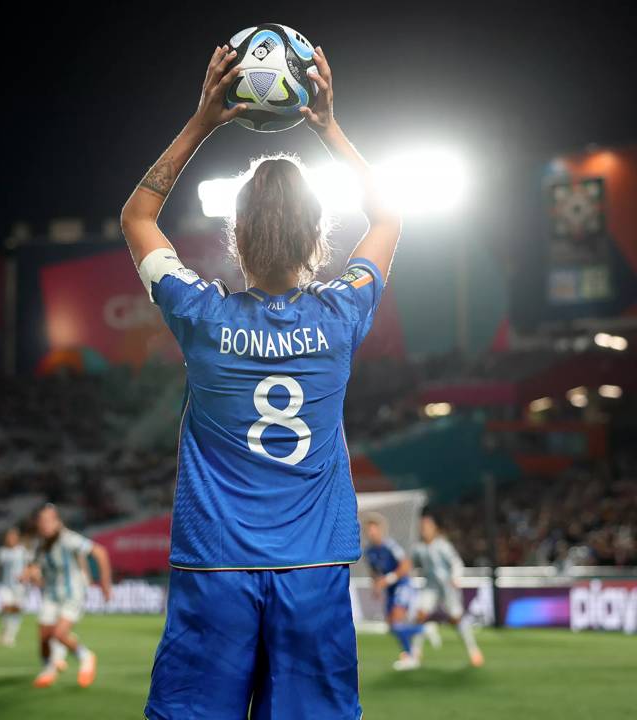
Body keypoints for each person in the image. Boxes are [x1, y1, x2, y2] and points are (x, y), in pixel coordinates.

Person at [122, 44, 401, 719]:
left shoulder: (200, 314)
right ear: (317, 236)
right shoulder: (342, 313)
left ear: (236, 236)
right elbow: (389, 217)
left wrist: (203, 121)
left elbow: (138, 217)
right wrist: (327, 124)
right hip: (314, 571)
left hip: (214, 568)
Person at [27, 504, 112, 688]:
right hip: (50, 594)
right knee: (43, 636)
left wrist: (105, 583)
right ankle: (48, 669)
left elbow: (100, 552)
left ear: (57, 522)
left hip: (72, 594)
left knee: (58, 634)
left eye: (50, 520)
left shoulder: (68, 539)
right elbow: (33, 567)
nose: (46, 524)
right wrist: (29, 574)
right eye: (42, 521)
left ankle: (86, 657)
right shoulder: (39, 545)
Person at [412, 513, 484, 667]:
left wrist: (455, 577)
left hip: (447, 587)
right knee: (420, 615)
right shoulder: (419, 548)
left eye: (427, 526)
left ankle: (473, 650)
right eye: (422, 527)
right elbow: (413, 565)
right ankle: (414, 653)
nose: (424, 530)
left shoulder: (442, 546)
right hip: (430, 587)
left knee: (456, 619)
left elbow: (456, 562)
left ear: (434, 528)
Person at [363, 513, 428, 671]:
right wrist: (376, 586)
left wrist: (389, 579)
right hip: (390, 590)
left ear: (381, 530)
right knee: (392, 627)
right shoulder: (369, 551)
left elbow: (406, 565)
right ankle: (418, 638)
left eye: (374, 530)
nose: (372, 533)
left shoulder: (390, 545)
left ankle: (410, 654)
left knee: (397, 622)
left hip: (403, 585)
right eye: (369, 530)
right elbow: (374, 572)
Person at [0, 527, 29, 647]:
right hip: (6, 585)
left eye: (13, 536)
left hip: (20, 586)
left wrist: (26, 576)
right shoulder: (1, 552)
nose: (10, 539)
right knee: (6, 607)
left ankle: (10, 635)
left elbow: (29, 566)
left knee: (16, 610)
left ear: (17, 538)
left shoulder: (23, 551)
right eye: (8, 536)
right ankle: (6, 630)